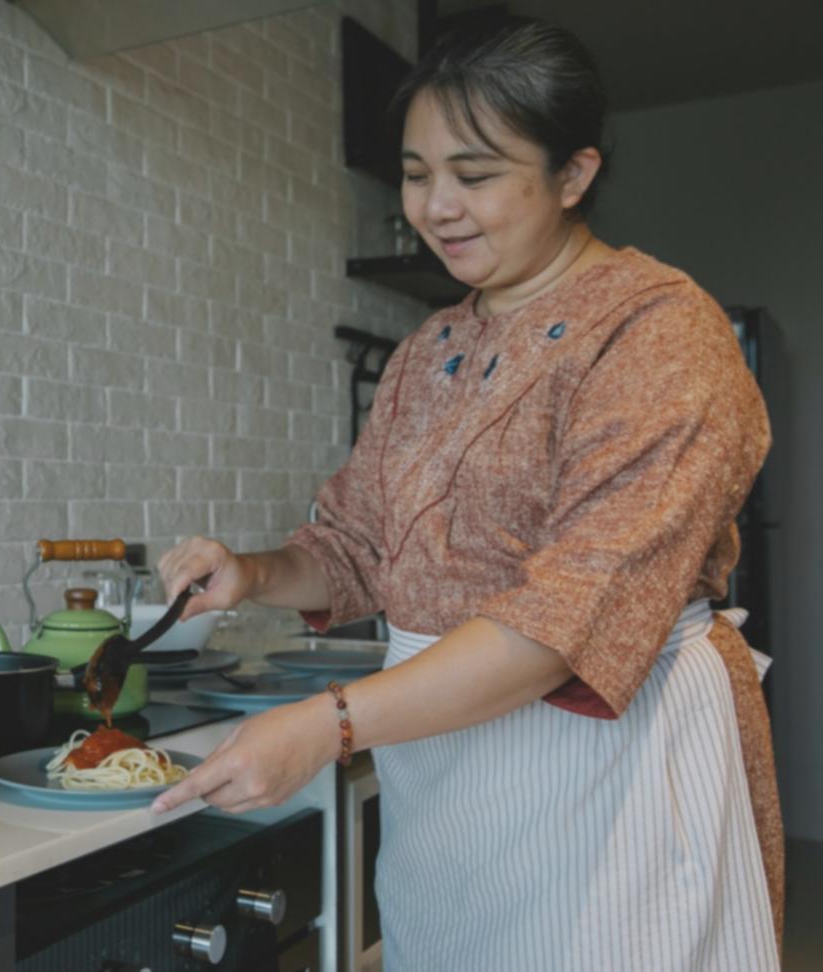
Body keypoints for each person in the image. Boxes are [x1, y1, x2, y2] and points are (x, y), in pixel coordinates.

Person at [152, 17, 783, 971]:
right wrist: (250, 573)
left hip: (607, 766)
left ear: (574, 174)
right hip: (445, 772)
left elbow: (569, 616)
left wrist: (330, 725)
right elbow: (357, 547)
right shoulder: (426, 351)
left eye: (476, 174)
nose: (437, 206)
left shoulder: (659, 332)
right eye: (415, 174)